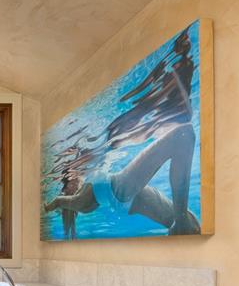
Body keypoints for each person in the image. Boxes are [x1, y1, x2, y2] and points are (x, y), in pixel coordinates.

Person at [44, 27, 201, 238]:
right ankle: (180, 220)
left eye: (73, 182)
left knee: (194, 225)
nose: (73, 182)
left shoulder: (91, 186)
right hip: (120, 192)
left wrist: (181, 218)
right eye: (71, 183)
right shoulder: (84, 196)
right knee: (183, 135)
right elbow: (183, 135)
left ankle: (181, 222)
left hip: (126, 194)